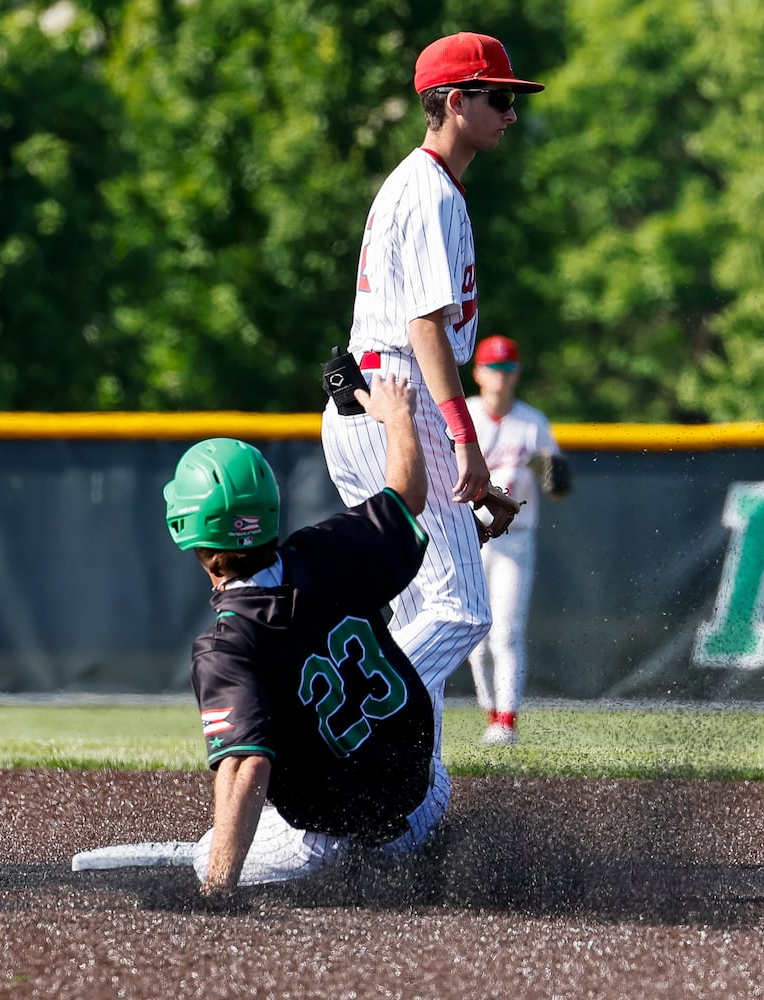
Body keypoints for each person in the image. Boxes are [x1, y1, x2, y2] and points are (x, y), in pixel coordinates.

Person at [320, 32, 544, 765]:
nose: (510, 114)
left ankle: (410, 808)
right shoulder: (427, 190)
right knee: (460, 609)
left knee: (423, 611)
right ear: (454, 102)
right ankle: (330, 731)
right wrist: (466, 443)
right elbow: (425, 329)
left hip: (375, 401)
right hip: (398, 402)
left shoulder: (427, 186)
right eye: (500, 99)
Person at [164, 374, 446, 896]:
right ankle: (420, 846)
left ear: (189, 532)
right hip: (429, 791)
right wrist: (398, 416)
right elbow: (406, 493)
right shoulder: (326, 547)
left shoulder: (226, 644)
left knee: (207, 855)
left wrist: (216, 891)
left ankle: (364, 879)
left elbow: (247, 764)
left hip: (344, 837)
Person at [466, 335, 571, 745]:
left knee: (506, 631)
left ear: (517, 374)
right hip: (470, 538)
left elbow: (559, 488)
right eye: (493, 368)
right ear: (477, 373)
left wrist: (548, 470)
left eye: (507, 368)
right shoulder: (465, 416)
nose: (500, 376)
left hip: (514, 539)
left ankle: (505, 721)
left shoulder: (533, 423)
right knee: (473, 631)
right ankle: (491, 711)